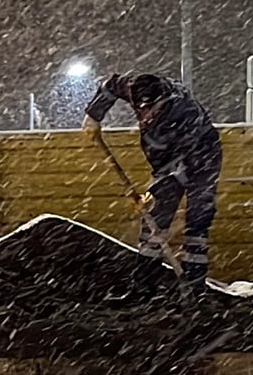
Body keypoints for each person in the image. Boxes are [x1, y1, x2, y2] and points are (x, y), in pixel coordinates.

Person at [81, 73, 222, 283]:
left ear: (162, 100)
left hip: (204, 157)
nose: (145, 117)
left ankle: (194, 282)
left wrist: (155, 190)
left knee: (198, 220)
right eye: (142, 110)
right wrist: (94, 115)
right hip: (170, 161)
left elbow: (177, 167)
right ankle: (146, 282)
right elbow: (110, 86)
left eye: (151, 111)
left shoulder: (181, 113)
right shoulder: (134, 85)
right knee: (155, 220)